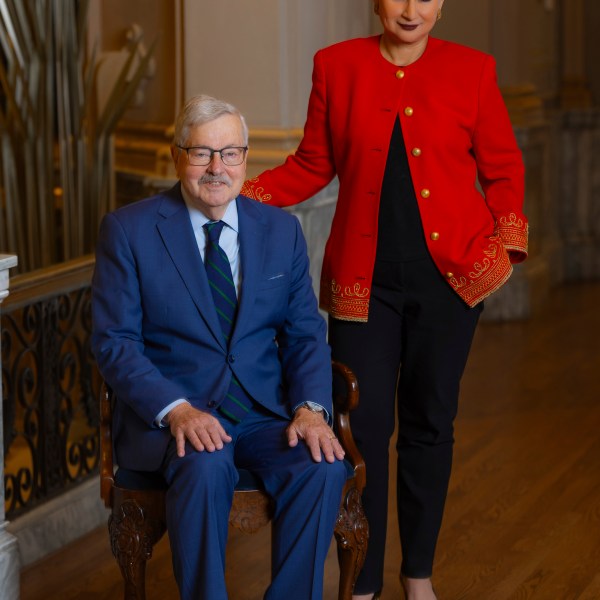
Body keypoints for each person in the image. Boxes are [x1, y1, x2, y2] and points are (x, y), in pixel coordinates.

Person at [240, 1, 529, 599]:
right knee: (362, 430)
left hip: (451, 282)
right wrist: (237, 195)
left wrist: (506, 246)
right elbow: (312, 165)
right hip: (362, 284)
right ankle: (363, 579)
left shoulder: (473, 69)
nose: (410, 8)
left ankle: (417, 572)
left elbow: (502, 166)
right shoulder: (336, 65)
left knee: (430, 422)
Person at [91, 94, 348, 600]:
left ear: (246, 159)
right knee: (205, 465)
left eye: (230, 153)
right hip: (177, 417)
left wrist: (311, 408)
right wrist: (177, 410)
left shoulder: (280, 230)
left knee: (323, 464)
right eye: (201, 153)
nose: (216, 168)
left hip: (260, 412)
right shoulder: (129, 230)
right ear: (176, 156)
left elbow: (303, 333)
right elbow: (114, 342)